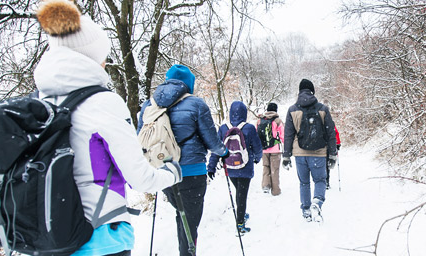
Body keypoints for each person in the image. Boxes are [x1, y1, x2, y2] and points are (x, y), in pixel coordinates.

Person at [34, 1, 182, 255]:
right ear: (92, 58)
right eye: (102, 57)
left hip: (46, 239)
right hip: (99, 239)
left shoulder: (36, 103)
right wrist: (172, 172)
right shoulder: (102, 103)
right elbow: (141, 179)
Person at [137, 64, 228, 256]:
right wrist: (224, 152)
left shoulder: (149, 105)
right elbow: (212, 142)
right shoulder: (196, 104)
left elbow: (140, 138)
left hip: (164, 173)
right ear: (188, 84)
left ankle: (184, 249)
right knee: (190, 223)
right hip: (192, 173)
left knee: (182, 215)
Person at [282, 79, 337, 222]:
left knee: (304, 183)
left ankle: (306, 211)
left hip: (300, 154)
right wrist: (332, 154)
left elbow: (288, 134)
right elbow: (331, 133)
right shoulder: (323, 109)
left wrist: (286, 156)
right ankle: (317, 202)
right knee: (320, 180)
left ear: (299, 91)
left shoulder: (292, 110)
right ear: (313, 91)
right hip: (319, 153)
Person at [207, 101, 263, 233]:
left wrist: (211, 167)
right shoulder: (248, 128)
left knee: (239, 192)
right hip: (245, 167)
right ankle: (240, 223)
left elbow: (217, 149)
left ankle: (241, 214)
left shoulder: (223, 128)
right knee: (242, 194)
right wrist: (257, 158)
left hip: (230, 167)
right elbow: (257, 147)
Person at [257, 103, 285, 196]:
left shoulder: (260, 120)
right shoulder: (277, 121)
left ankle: (265, 185)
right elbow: (283, 136)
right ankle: (276, 190)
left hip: (264, 149)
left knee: (266, 167)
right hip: (275, 150)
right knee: (275, 169)